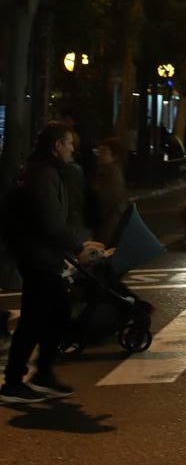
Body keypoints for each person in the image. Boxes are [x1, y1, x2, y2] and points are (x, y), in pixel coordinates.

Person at [1, 122, 108, 404]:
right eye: (69, 143)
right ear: (57, 146)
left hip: (40, 254)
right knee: (42, 316)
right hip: (38, 256)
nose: (73, 148)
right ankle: (17, 382)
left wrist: (78, 243)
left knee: (50, 314)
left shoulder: (44, 172)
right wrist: (78, 247)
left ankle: (38, 375)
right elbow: (49, 221)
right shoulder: (43, 175)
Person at [87, 136, 129, 246]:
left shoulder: (112, 174)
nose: (100, 155)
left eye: (104, 151)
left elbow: (108, 199)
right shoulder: (103, 171)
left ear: (115, 156)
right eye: (98, 151)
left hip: (110, 221)